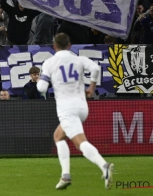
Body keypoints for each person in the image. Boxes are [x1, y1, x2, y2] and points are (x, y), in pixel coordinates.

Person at [37, 33, 114, 190]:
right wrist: (91, 87)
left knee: (81, 143)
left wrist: (43, 80)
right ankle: (65, 175)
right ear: (70, 45)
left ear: (54, 46)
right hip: (82, 106)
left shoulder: (50, 62)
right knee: (58, 136)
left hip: (67, 109)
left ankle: (104, 165)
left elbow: (42, 87)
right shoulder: (78, 59)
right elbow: (95, 68)